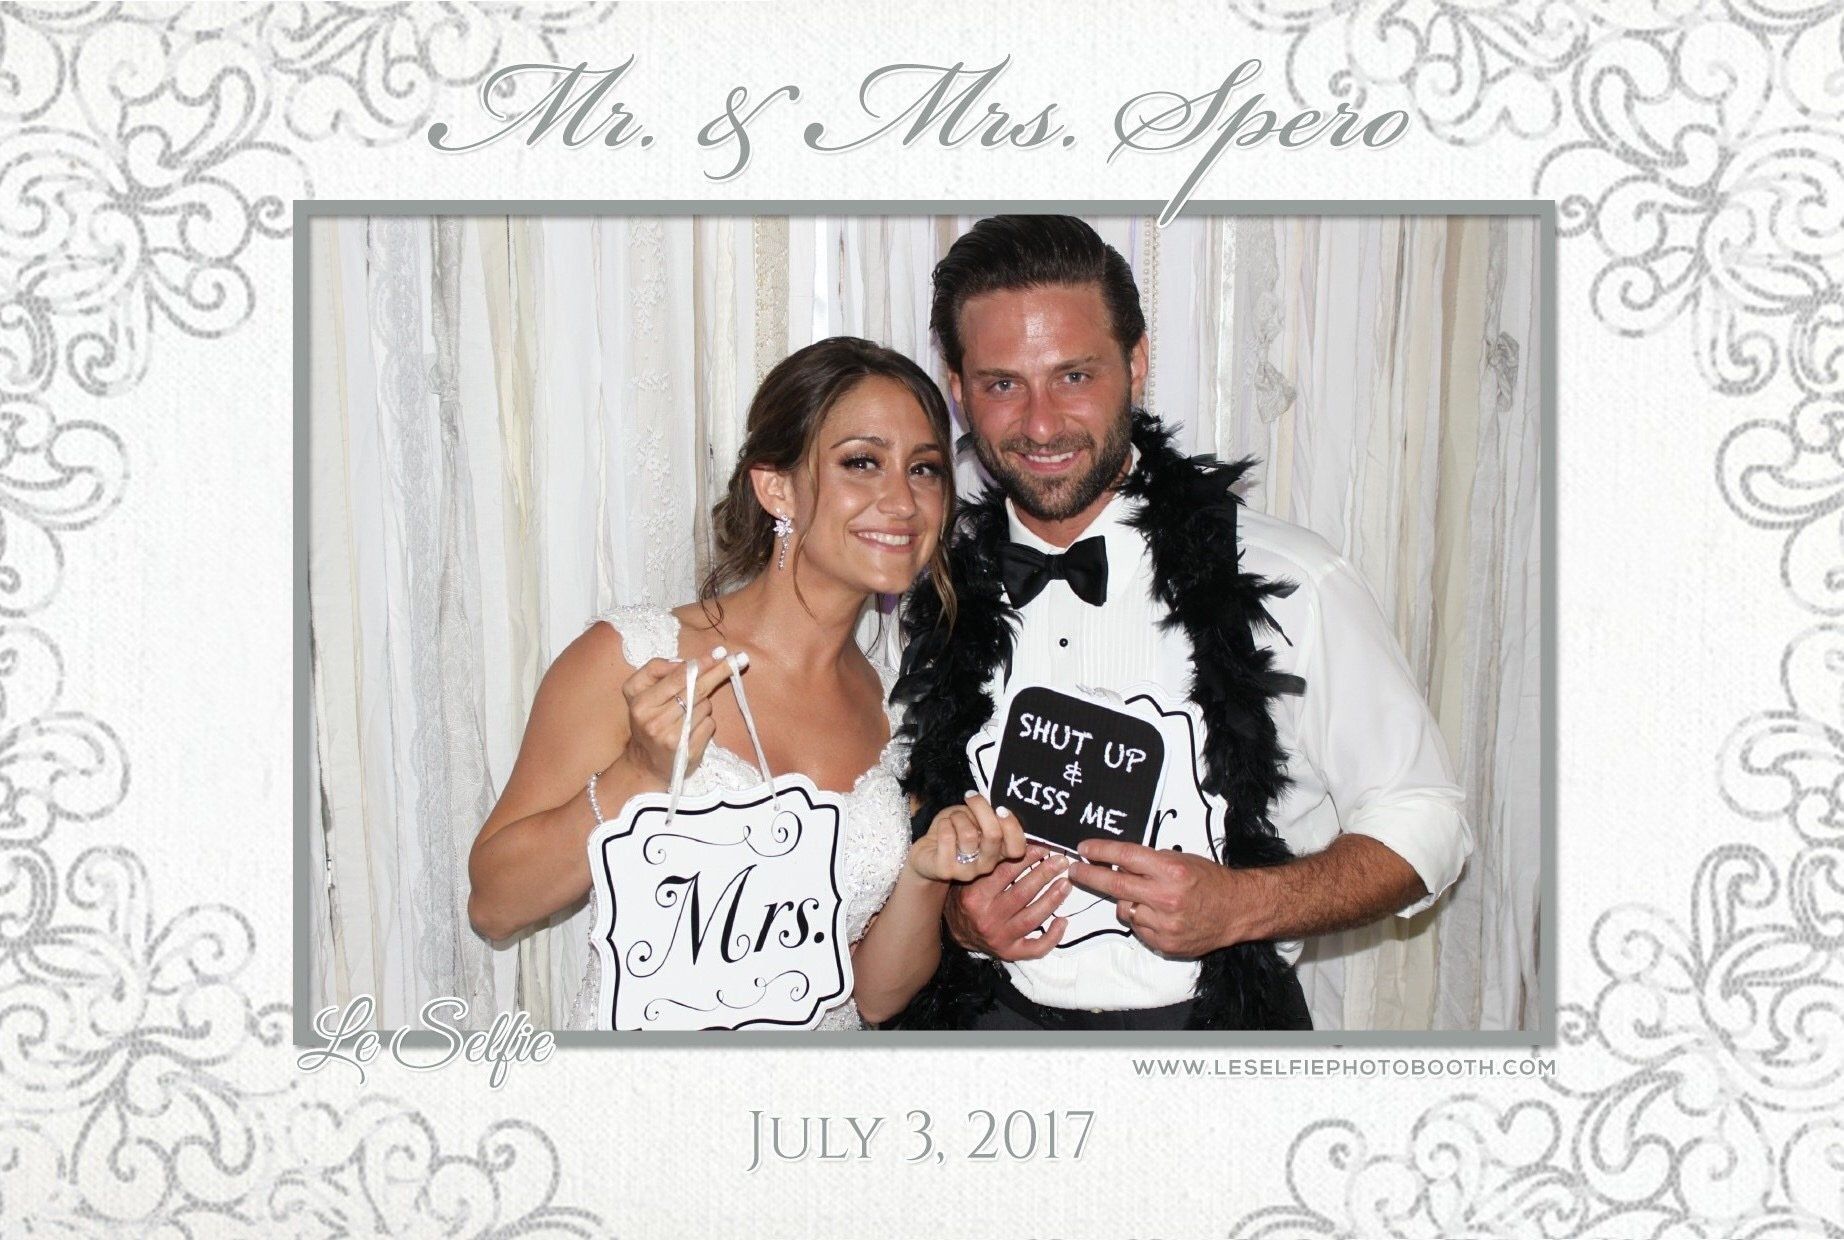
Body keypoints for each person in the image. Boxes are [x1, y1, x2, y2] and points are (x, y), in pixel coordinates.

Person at [890, 216, 1473, 1031]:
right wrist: (953, 918)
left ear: (1136, 365)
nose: (1042, 422)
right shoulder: (929, 592)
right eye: (1001, 384)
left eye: (1074, 376)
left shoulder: (1288, 579)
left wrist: (1245, 903)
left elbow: (1429, 818)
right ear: (959, 391)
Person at [467, 336, 1024, 1031]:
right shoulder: (634, 657)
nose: (902, 501)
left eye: (924, 469)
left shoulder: (898, 711)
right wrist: (636, 773)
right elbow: (495, 904)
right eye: (861, 462)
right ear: (776, 486)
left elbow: (875, 996)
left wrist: (924, 873)